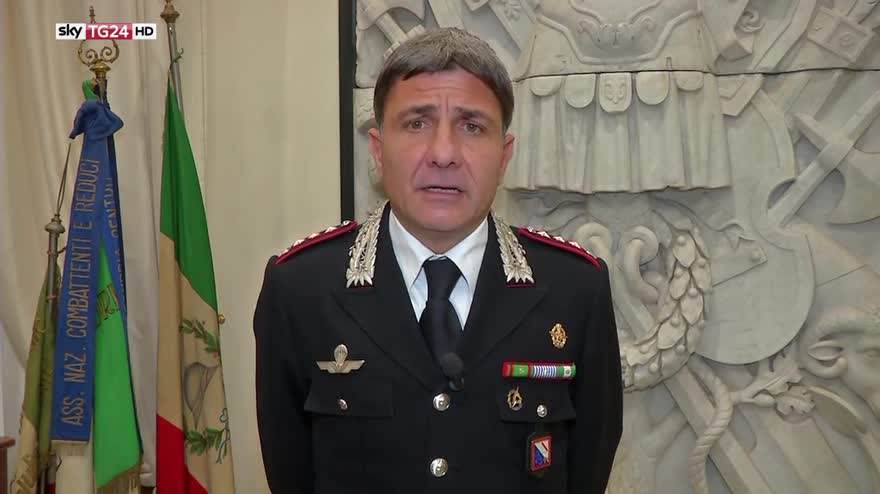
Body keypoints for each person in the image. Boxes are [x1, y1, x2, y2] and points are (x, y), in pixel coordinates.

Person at [253, 27, 622, 493]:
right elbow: (290, 471)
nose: (444, 153)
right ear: (377, 149)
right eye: (416, 123)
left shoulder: (575, 290)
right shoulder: (301, 289)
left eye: (472, 126)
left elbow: (588, 467)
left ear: (504, 155)